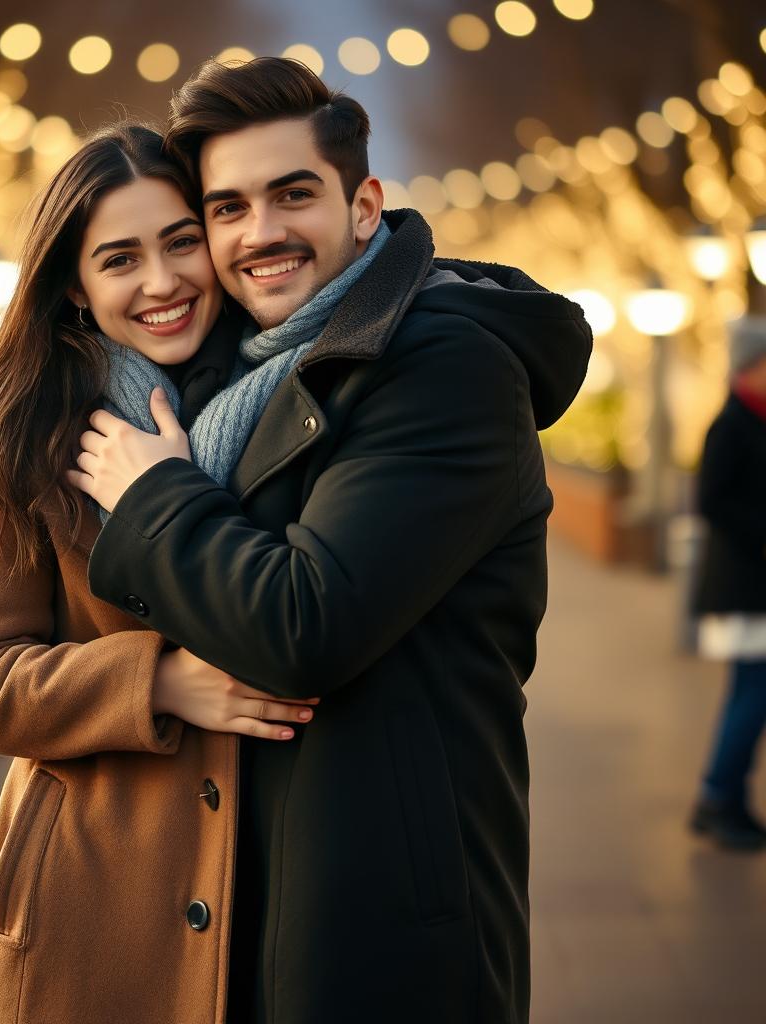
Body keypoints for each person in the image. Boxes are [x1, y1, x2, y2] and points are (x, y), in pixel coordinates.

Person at [70, 58, 593, 1023]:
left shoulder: (445, 367)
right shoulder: (252, 376)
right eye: (225, 209)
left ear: (364, 206)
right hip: (257, 902)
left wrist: (156, 499)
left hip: (387, 927)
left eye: (291, 195)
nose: (257, 232)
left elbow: (307, 622)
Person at [0, 123, 320, 1024]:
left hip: (270, 880)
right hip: (92, 896)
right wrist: (160, 681)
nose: (162, 282)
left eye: (182, 241)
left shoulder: (290, 396)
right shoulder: (20, 429)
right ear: (74, 282)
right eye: (120, 258)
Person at [690, 315, 766, 851]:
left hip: (753, 581)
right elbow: (711, 500)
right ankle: (718, 796)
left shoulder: (754, 418)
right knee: (753, 694)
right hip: (745, 583)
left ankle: (727, 799)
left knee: (750, 692)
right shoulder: (733, 421)